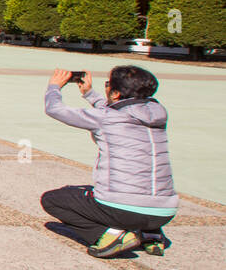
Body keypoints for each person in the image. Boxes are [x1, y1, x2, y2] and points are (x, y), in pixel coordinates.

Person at [40, 65, 179, 259]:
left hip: (125, 209)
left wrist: (54, 87)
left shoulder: (106, 118)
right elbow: (120, 111)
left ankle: (111, 236)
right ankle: (150, 234)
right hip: (165, 212)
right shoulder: (158, 115)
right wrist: (89, 94)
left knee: (53, 199)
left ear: (115, 93)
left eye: (108, 85)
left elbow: (55, 109)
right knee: (130, 190)